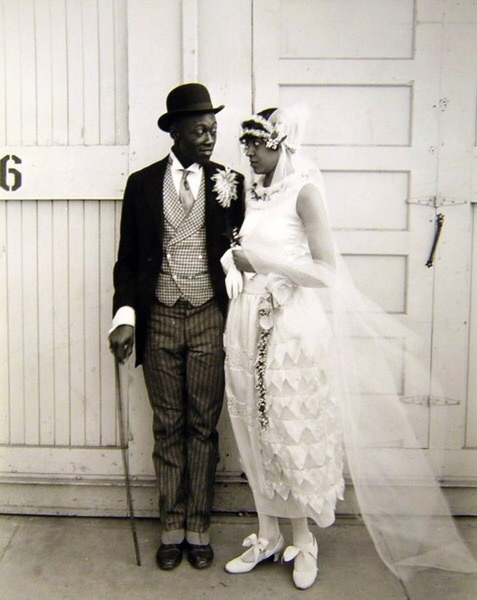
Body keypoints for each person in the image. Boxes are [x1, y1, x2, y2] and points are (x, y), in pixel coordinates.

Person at [221, 107, 477, 590]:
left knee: (289, 427)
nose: (249, 153)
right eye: (247, 144)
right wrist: (236, 265)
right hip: (246, 320)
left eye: (257, 144)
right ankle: (268, 532)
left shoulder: (305, 192)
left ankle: (304, 538)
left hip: (291, 327)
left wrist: (264, 261)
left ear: (282, 143)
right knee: (249, 424)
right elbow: (241, 249)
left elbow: (326, 272)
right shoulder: (252, 193)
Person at [109, 83, 245, 571]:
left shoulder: (229, 181)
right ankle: (171, 528)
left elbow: (241, 253)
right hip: (160, 317)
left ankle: (199, 527)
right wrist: (124, 317)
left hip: (210, 316)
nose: (210, 138)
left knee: (203, 427)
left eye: (213, 129)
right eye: (200, 130)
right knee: (167, 425)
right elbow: (127, 261)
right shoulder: (142, 184)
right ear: (176, 132)